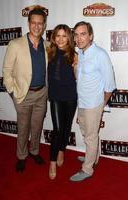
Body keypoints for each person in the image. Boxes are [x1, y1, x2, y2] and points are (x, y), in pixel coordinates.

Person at [3, 8, 48, 172]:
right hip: (23, 95)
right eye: (33, 23)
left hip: (42, 94)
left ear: (44, 25)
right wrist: (13, 93)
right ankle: (21, 156)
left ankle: (34, 151)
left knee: (37, 127)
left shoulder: (47, 45)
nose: (37, 26)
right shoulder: (15, 44)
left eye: (40, 23)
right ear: (29, 23)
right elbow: (7, 71)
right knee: (23, 128)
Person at [70, 21, 116, 182]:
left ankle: (87, 169)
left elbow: (110, 85)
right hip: (82, 102)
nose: (79, 38)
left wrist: (101, 105)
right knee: (88, 134)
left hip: (93, 105)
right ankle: (93, 156)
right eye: (76, 34)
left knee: (90, 136)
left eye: (83, 34)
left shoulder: (100, 54)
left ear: (90, 36)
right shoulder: (80, 53)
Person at [47, 24, 77, 180]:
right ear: (53, 37)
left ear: (69, 38)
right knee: (57, 130)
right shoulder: (49, 52)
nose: (60, 39)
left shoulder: (75, 55)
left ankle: (61, 150)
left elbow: (79, 77)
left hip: (71, 96)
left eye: (64, 35)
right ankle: (52, 162)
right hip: (56, 96)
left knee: (66, 127)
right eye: (57, 35)